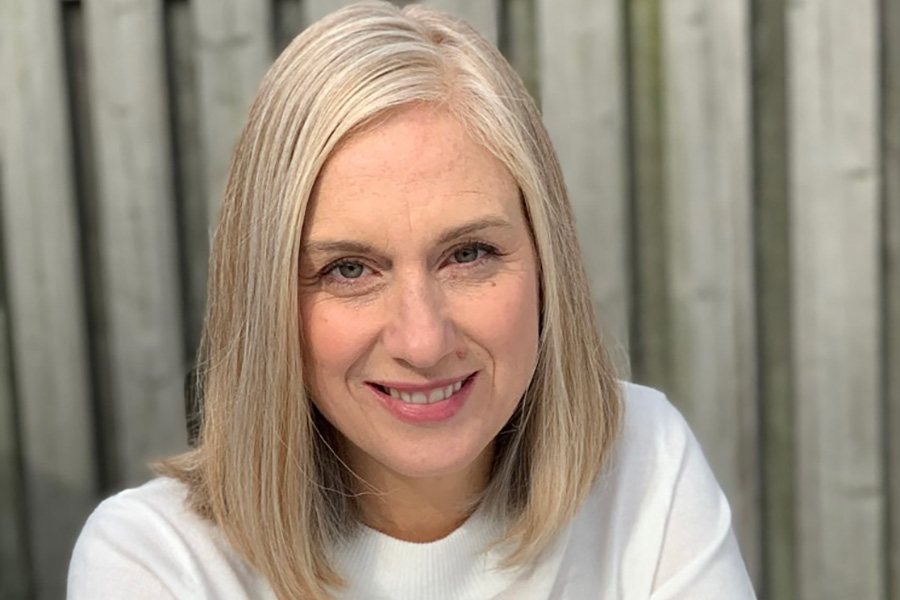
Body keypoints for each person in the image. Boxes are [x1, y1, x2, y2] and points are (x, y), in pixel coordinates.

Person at [67, 2, 756, 598]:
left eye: (469, 254)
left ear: (550, 262)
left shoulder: (641, 462)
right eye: (348, 270)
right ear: (266, 300)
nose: (422, 342)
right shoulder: (158, 560)